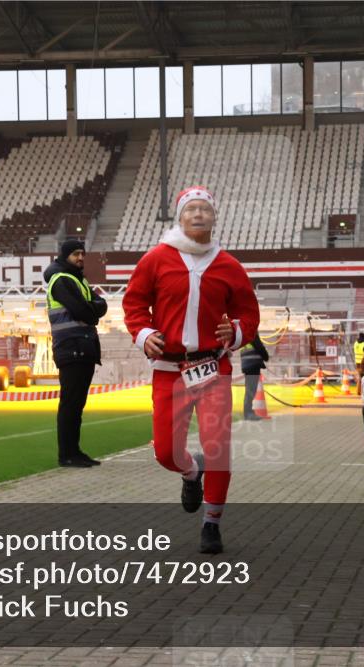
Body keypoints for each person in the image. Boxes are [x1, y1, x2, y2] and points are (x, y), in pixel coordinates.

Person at [122, 185, 260, 554]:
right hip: (169, 369)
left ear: (214, 217)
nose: (198, 214)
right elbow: (134, 303)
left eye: (205, 209)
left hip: (214, 368)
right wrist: (143, 333)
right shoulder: (156, 259)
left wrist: (237, 331)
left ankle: (211, 523)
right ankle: (190, 472)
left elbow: (249, 313)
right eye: (191, 209)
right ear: (180, 217)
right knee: (165, 453)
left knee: (218, 447)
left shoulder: (229, 266)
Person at [44, 239, 108, 468]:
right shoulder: (61, 280)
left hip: (83, 347)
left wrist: (93, 309)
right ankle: (67, 454)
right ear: (65, 256)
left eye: (82, 253)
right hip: (71, 347)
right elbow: (85, 312)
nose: (80, 258)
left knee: (76, 405)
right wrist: (93, 310)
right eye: (75, 254)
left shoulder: (78, 280)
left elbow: (101, 305)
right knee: (70, 404)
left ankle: (75, 451)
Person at [240, 334, 270, 420]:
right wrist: (265, 356)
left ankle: (248, 413)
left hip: (247, 363)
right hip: (252, 363)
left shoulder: (244, 332)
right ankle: (248, 413)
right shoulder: (251, 331)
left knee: (250, 390)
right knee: (251, 390)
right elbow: (258, 345)